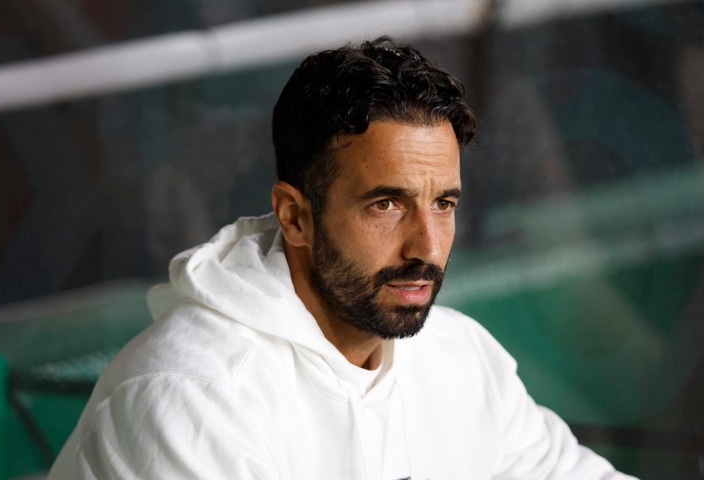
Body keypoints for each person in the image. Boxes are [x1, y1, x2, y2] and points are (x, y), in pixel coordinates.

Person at [49, 37, 638, 479]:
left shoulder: (461, 358)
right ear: (295, 216)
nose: (427, 249)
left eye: (444, 203)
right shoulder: (192, 398)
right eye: (387, 204)